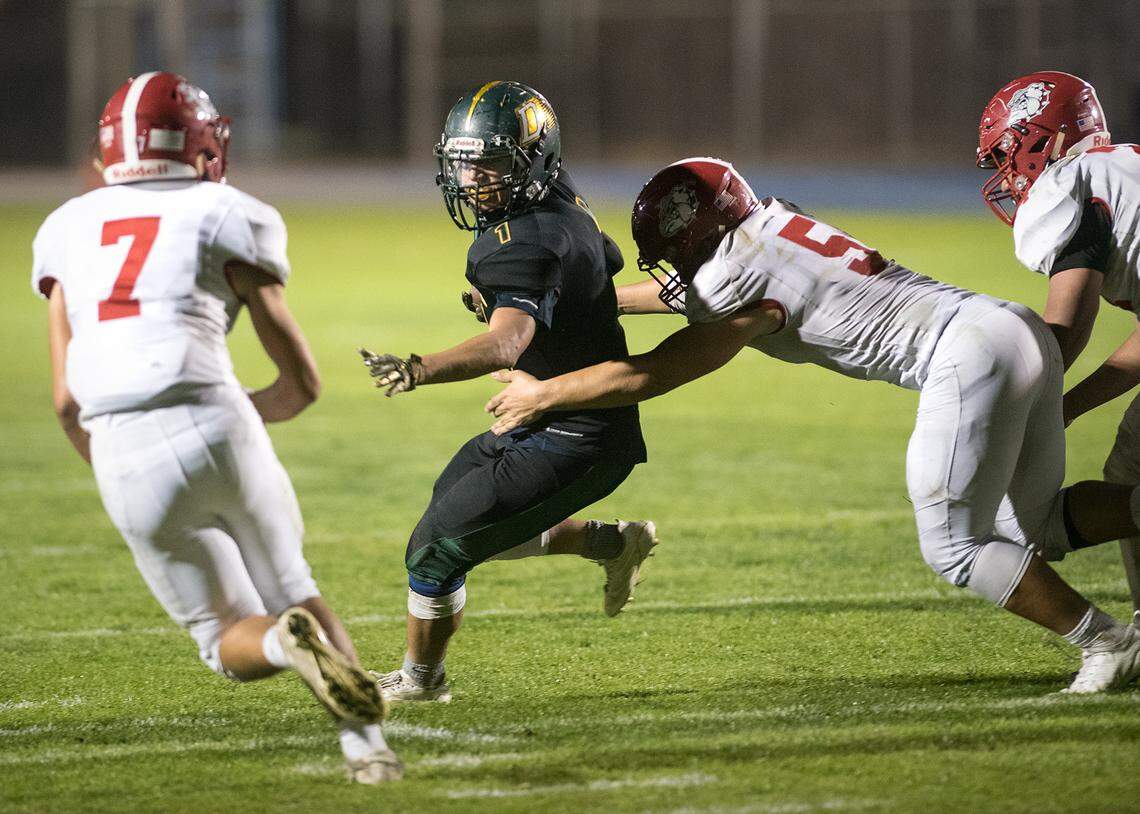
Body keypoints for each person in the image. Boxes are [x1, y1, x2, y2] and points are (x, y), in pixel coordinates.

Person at [486, 157, 1140, 693]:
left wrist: (545, 393)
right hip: (1015, 332)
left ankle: (1107, 642)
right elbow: (692, 291)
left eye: (675, 255)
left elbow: (656, 371)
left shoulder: (730, 275)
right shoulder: (770, 224)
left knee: (954, 543)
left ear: (698, 239)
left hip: (969, 355)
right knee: (1035, 524)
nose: (674, 271)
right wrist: (566, 302)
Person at [32, 71, 400, 783]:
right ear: (199, 146)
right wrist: (242, 415)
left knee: (223, 634)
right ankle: (369, 750)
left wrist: (119, 457)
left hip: (120, 445)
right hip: (215, 418)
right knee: (295, 589)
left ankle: (283, 648)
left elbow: (64, 400)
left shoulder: (64, 228)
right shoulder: (228, 212)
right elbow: (300, 382)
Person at [360, 81, 656, 703]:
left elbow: (503, 345)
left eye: (490, 163)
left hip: (581, 433)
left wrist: (420, 367)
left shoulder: (525, 238)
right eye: (464, 161)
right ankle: (614, 543)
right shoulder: (557, 198)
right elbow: (600, 262)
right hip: (548, 409)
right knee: (448, 524)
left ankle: (421, 682)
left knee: (434, 553)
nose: (473, 179)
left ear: (532, 159)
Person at [976, 70, 1140, 628]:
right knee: (1130, 473)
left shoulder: (1071, 181)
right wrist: (1063, 408)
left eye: (1007, 150)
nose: (1004, 170)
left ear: (1046, 139)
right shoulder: (1123, 165)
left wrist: (1025, 406)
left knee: (1132, 482)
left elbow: (1067, 327)